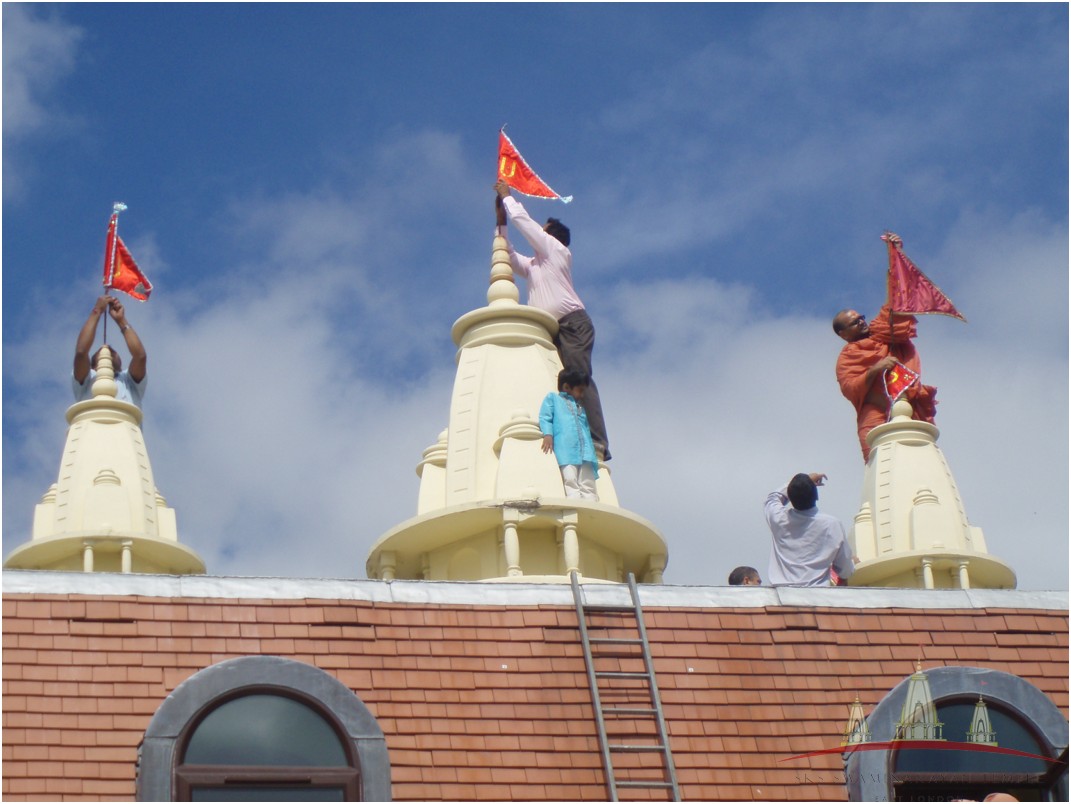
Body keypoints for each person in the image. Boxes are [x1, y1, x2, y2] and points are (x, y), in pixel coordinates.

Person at [495, 179, 611, 460]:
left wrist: (508, 197)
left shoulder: (558, 252)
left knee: (578, 377)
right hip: (553, 331)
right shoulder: (535, 265)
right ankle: (571, 436)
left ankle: (597, 441)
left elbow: (527, 224)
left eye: (543, 232)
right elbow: (508, 255)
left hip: (573, 324)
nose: (539, 235)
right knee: (559, 385)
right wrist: (500, 221)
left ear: (551, 237)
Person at [833, 306, 937, 461]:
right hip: (875, 416)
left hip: (908, 409)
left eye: (861, 317)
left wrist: (897, 285)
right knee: (879, 464)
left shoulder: (882, 334)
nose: (862, 322)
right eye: (855, 322)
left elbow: (894, 311)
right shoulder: (847, 357)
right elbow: (850, 388)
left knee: (920, 461)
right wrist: (875, 369)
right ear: (843, 334)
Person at [764, 472, 855, 587]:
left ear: (790, 498)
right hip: (815, 597)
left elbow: (773, 497)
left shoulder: (778, 518)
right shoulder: (831, 525)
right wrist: (852, 563)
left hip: (780, 597)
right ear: (817, 496)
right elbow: (845, 570)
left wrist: (795, 484)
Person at [73, 295, 147, 407]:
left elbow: (140, 357)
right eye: (102, 351)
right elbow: (81, 352)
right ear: (92, 366)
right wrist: (97, 311)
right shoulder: (88, 379)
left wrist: (121, 320)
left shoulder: (128, 381)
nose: (107, 348)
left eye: (113, 351)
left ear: (121, 364)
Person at [539, 368, 600, 501]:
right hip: (566, 449)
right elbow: (545, 417)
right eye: (580, 390)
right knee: (570, 479)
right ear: (567, 387)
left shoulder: (580, 408)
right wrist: (548, 434)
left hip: (586, 452)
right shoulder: (553, 399)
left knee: (587, 482)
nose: (582, 395)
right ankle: (575, 505)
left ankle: (590, 508)